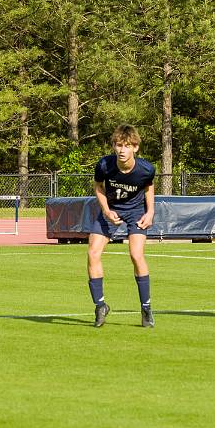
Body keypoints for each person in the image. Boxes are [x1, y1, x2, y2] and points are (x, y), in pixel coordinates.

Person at [87, 124, 156, 328]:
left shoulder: (146, 169)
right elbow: (98, 187)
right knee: (92, 253)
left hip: (135, 212)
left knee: (136, 254)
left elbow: (148, 189)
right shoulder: (104, 165)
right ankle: (100, 306)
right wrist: (107, 210)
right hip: (111, 209)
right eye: (118, 145)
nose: (122, 150)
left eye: (127, 146)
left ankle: (146, 308)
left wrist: (150, 212)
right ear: (113, 147)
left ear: (135, 148)